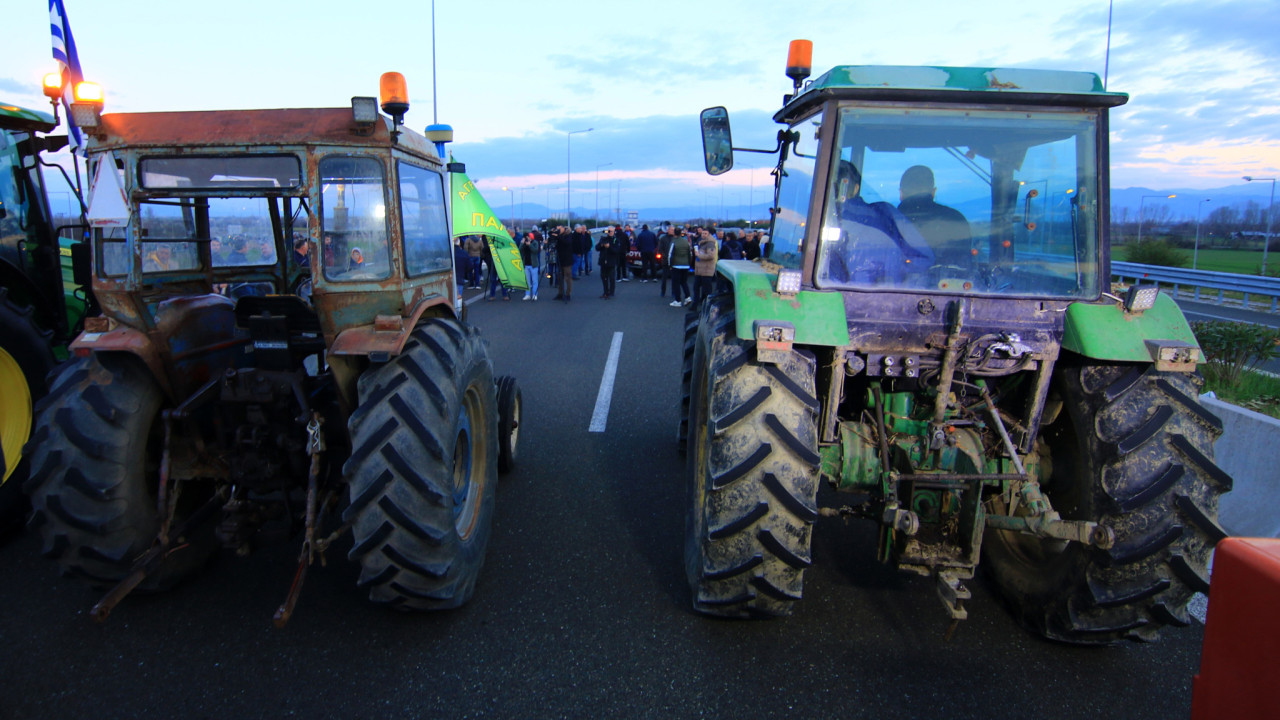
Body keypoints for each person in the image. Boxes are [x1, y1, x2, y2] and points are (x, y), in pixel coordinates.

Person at [824, 161, 933, 286]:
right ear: (856, 189)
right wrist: (892, 276)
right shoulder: (886, 214)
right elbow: (924, 259)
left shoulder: (816, 221)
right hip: (885, 298)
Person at [897, 164, 973, 267]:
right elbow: (964, 265)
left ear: (901, 193)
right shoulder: (955, 220)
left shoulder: (889, 221)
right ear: (933, 192)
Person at [692, 227, 718, 306]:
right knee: (696, 287)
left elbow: (711, 256)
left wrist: (699, 256)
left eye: (705, 233)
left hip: (707, 270)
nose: (703, 235)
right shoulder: (701, 242)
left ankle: (708, 305)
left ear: (709, 234)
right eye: (703, 233)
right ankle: (696, 303)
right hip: (699, 270)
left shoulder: (710, 244)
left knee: (707, 290)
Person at [667, 228, 692, 307]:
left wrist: (670, 265)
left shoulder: (674, 242)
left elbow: (670, 255)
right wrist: (689, 264)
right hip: (686, 265)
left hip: (676, 265)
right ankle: (688, 297)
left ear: (674, 234)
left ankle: (677, 300)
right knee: (684, 282)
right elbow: (690, 254)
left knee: (676, 283)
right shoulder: (686, 242)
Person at [553, 226, 576, 302]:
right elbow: (558, 246)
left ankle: (568, 294)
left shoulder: (569, 236)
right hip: (560, 260)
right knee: (560, 278)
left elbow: (567, 243)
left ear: (564, 229)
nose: (558, 230)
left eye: (559, 229)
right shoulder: (561, 236)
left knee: (568, 278)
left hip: (567, 261)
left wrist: (558, 236)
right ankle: (560, 293)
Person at [595, 226, 619, 298]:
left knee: (611, 278)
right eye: (609, 231)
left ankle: (611, 293)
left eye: (611, 231)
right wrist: (601, 245)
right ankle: (605, 292)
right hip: (603, 261)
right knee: (603, 277)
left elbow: (616, 251)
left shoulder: (616, 240)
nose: (610, 232)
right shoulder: (603, 238)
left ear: (614, 231)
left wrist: (609, 247)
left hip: (611, 262)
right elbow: (597, 248)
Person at [520, 230, 541, 301]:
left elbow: (535, 251)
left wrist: (530, 245)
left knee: (534, 281)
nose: (526, 239)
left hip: (533, 265)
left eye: (527, 238)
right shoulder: (524, 243)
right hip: (526, 264)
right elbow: (519, 251)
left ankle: (535, 294)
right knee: (527, 281)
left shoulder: (535, 242)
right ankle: (527, 294)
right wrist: (522, 243)